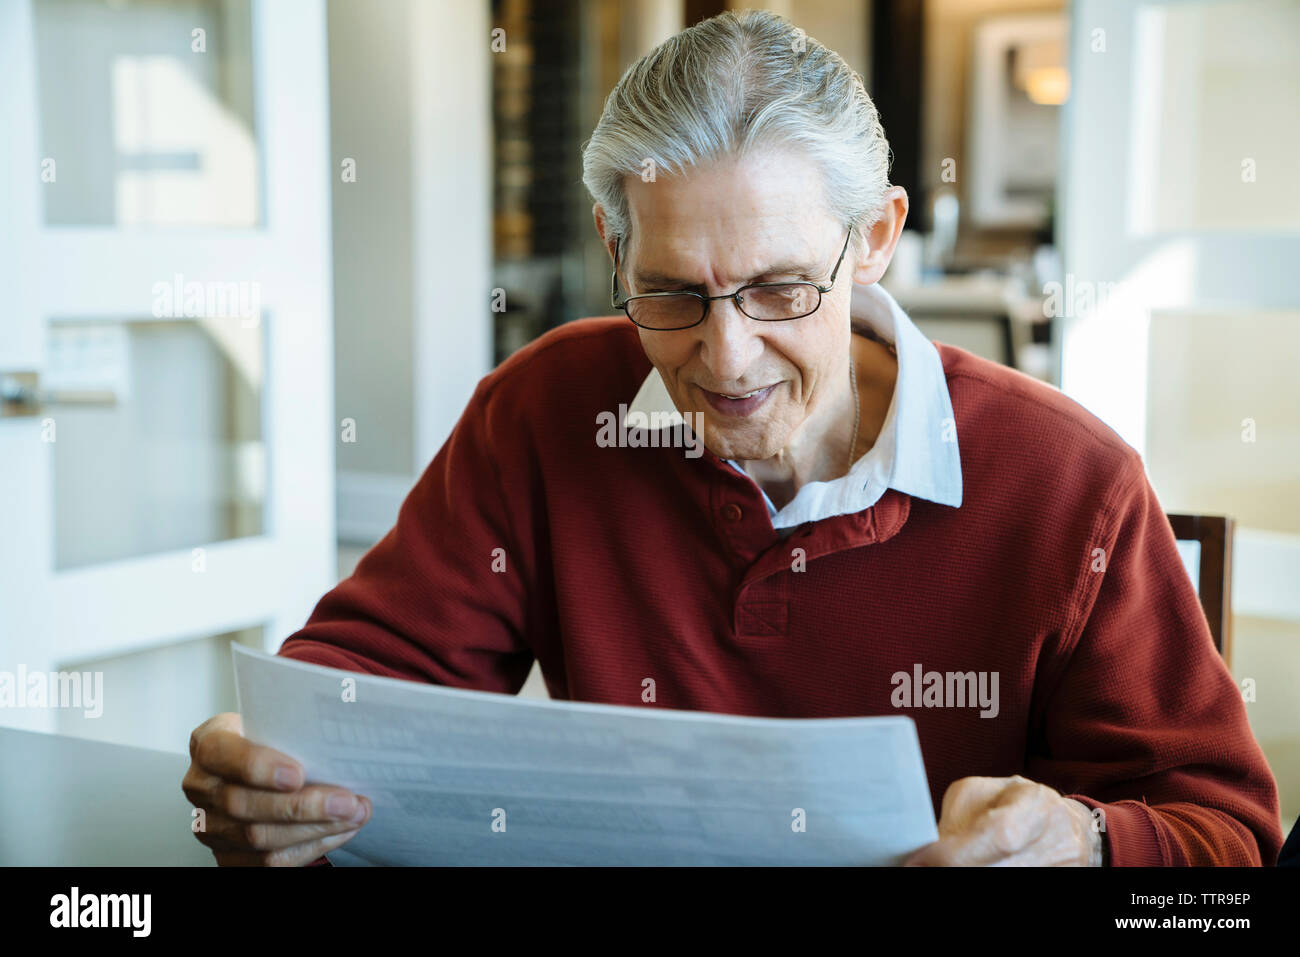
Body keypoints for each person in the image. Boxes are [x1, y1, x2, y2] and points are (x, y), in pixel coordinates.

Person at [183, 9, 1281, 867]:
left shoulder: (1067, 482)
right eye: (666, 292)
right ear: (615, 248)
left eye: (778, 290)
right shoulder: (546, 409)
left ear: (877, 239)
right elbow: (362, 681)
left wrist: (1088, 843)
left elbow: (1223, 842)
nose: (724, 358)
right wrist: (270, 772)